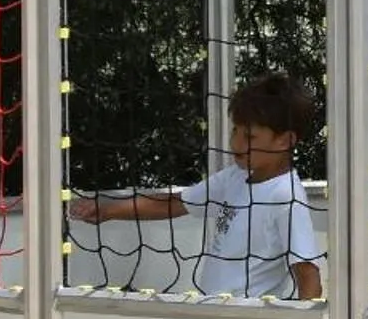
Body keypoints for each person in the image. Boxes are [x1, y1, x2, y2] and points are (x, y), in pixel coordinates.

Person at [68, 73, 325, 302]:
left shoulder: (286, 196)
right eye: (235, 130)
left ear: (285, 141)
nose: (236, 143)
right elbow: (176, 203)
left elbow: (308, 274)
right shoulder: (234, 177)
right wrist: (110, 210)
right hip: (215, 313)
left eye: (249, 137)